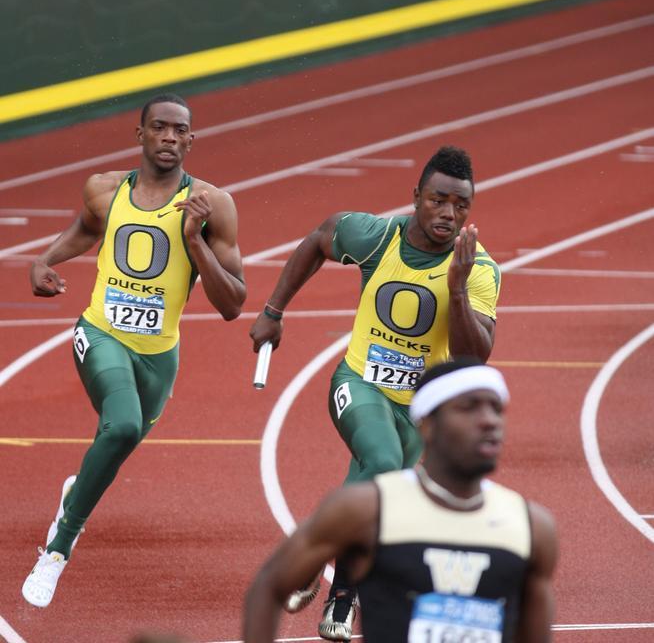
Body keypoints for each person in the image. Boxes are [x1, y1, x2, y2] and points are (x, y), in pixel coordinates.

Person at [249, 145, 500, 640]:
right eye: (438, 200)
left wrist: (458, 289)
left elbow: (476, 356)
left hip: (420, 410)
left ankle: (340, 595)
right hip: (359, 382)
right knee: (381, 461)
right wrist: (273, 311)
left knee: (377, 494)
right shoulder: (377, 236)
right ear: (416, 197)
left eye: (461, 205)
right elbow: (321, 237)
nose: (449, 214)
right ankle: (320, 567)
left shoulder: (481, 269)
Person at [22, 93, 246, 608]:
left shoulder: (214, 205)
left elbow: (233, 303)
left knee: (118, 444)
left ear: (192, 139)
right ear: (139, 134)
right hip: (100, 333)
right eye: (160, 128)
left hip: (160, 356)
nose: (170, 137)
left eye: (180, 130)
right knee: (119, 426)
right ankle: (56, 550)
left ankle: (73, 497)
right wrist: (44, 259)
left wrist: (195, 242)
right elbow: (87, 227)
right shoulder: (103, 188)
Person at [243, 358, 558, 643]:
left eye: (496, 407)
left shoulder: (532, 528)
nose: (489, 420)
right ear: (428, 426)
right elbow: (269, 586)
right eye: (469, 407)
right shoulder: (367, 511)